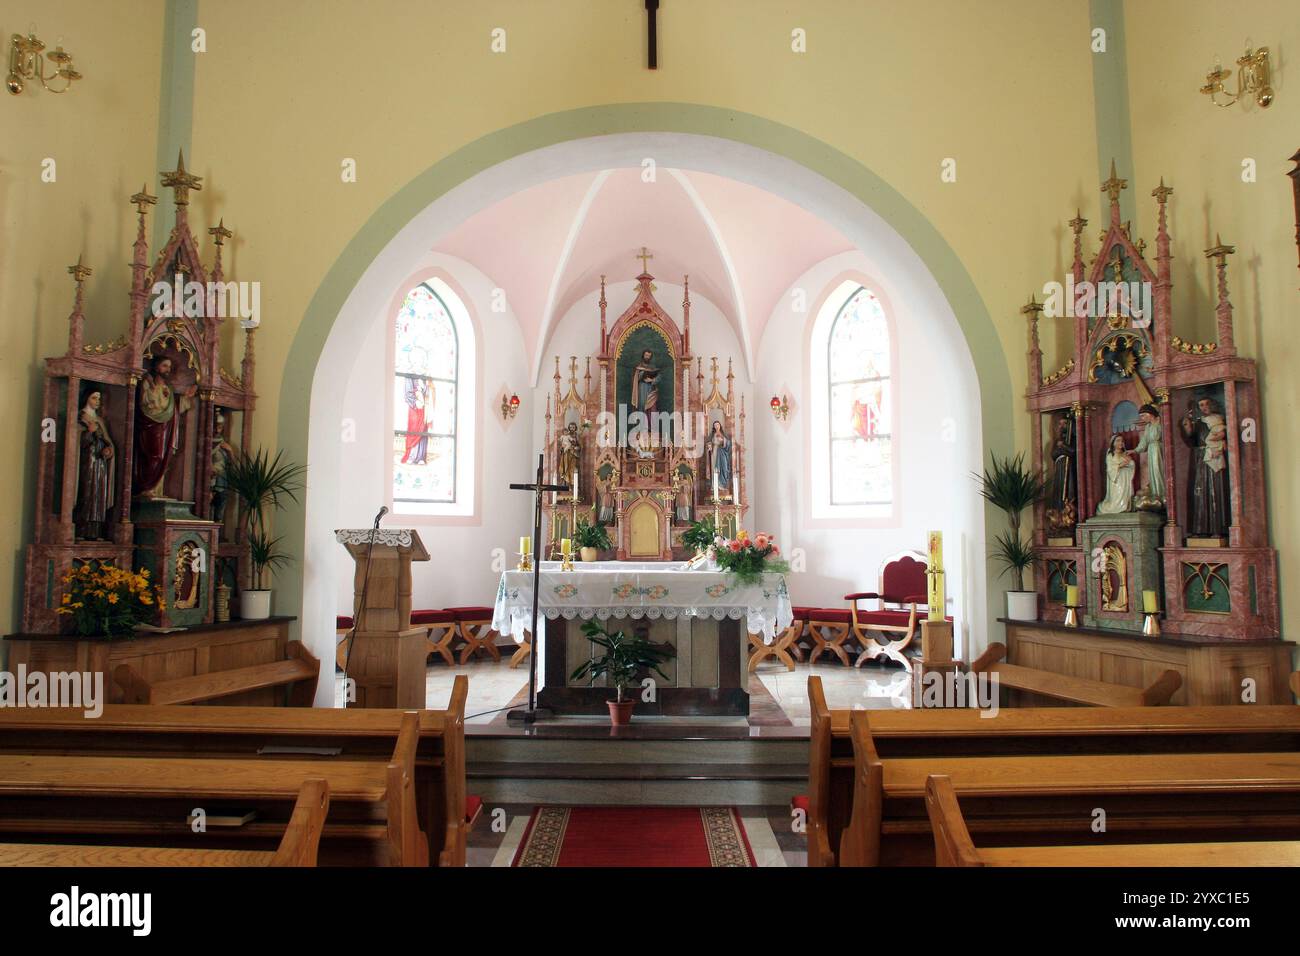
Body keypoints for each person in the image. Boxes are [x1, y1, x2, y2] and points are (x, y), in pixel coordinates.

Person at [133, 355, 195, 498]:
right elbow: (146, 405)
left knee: (163, 458)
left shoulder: (167, 389)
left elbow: (173, 409)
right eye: (164, 365)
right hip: (150, 428)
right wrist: (152, 387)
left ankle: (157, 491)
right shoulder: (147, 384)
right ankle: (147, 488)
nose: (168, 369)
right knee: (154, 457)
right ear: (156, 367)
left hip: (165, 429)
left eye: (169, 367)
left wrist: (186, 397)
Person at [1180, 396, 1229, 537]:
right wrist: (1188, 427)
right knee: (1200, 492)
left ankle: (1218, 529)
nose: (1204, 407)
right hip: (1201, 458)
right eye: (1201, 405)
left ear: (1212, 404)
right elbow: (1192, 438)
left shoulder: (1219, 420)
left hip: (1214, 456)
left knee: (1215, 490)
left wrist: (1222, 442)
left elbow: (1224, 437)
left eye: (1207, 404)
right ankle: (1200, 529)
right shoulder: (1199, 422)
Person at [74, 390, 115, 539]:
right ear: (86, 398)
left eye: (99, 398)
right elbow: (77, 441)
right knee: (86, 492)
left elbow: (107, 440)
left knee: (99, 495)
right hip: (86, 461)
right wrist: (89, 433)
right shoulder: (80, 417)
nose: (97, 401)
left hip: (100, 462)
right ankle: (81, 530)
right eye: (94, 397)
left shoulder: (100, 421)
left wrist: (108, 450)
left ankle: (96, 531)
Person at [1132, 403, 1165, 504]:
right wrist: (1135, 450)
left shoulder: (1161, 422)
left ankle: (1163, 493)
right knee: (1153, 472)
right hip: (1152, 450)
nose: (1142, 418)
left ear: (1150, 414)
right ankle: (1156, 493)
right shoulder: (1148, 427)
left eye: (1143, 415)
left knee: (1160, 470)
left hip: (1160, 449)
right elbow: (1144, 442)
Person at [1096, 434, 1135, 515]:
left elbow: (1131, 464)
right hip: (1117, 479)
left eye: (1122, 441)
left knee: (1125, 498)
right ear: (1113, 443)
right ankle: (1117, 507)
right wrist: (1120, 465)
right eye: (1118, 441)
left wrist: (1131, 463)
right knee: (1117, 497)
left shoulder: (1125, 454)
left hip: (1125, 478)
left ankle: (1125, 507)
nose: (1120, 443)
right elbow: (1110, 468)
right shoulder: (1110, 455)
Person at [630, 349, 660, 415]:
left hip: (651, 388)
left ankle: (650, 425)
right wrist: (642, 374)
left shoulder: (652, 366)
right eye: (646, 355)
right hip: (642, 388)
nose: (647, 357)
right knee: (642, 404)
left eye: (649, 356)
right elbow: (635, 378)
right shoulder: (639, 366)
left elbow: (659, 377)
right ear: (643, 355)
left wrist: (652, 380)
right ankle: (642, 423)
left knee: (652, 407)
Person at [708, 420, 732, 493]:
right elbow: (709, 443)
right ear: (714, 427)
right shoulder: (712, 435)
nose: (716, 426)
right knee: (715, 468)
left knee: (724, 467)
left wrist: (722, 440)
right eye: (715, 425)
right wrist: (709, 446)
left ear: (720, 426)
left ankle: (722, 485)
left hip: (722, 452)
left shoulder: (723, 434)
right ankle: (715, 485)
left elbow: (728, 443)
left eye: (717, 425)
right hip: (715, 452)